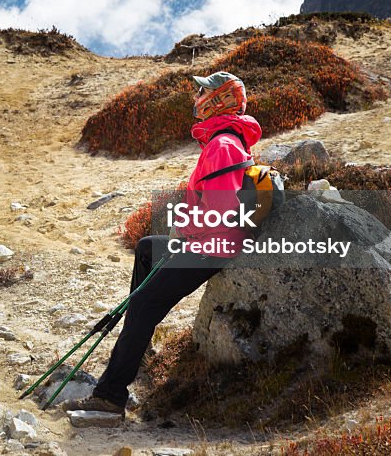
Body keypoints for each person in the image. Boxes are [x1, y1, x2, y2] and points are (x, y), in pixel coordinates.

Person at [61, 71, 263, 416]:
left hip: (211, 248)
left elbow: (221, 212)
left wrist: (184, 231)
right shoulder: (227, 140)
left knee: (141, 306)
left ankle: (109, 398)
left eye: (204, 91)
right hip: (209, 242)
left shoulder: (223, 146)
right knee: (147, 249)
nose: (197, 97)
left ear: (219, 100)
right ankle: (139, 344)